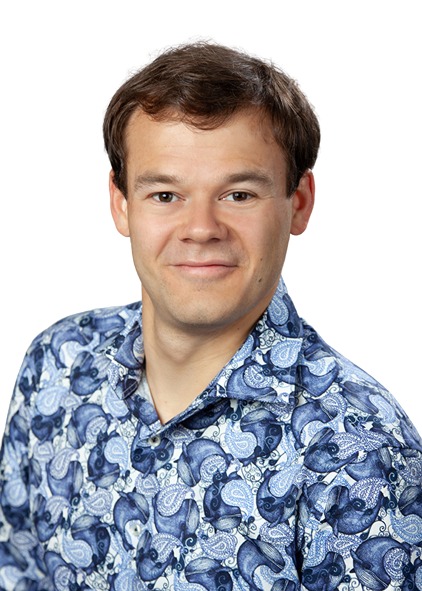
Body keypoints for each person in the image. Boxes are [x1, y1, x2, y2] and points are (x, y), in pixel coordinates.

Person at [0, 42, 421, 591]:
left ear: (298, 202)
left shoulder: (360, 450)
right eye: (165, 194)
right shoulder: (57, 366)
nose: (201, 228)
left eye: (238, 195)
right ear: (121, 203)